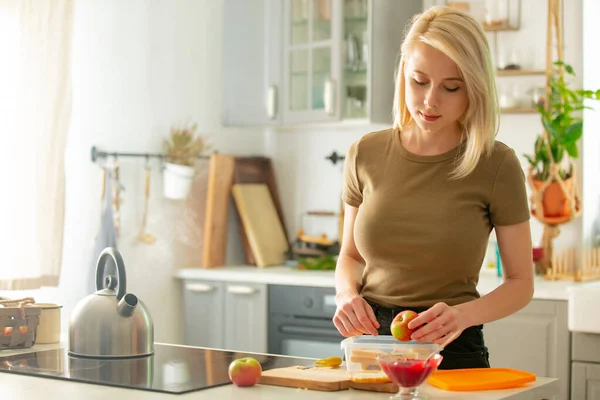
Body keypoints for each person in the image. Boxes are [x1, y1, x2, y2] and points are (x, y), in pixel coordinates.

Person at [333, 5, 534, 370]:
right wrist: (346, 294)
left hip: (452, 349)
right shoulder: (365, 153)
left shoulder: (497, 164)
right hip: (369, 346)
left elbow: (521, 282)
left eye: (451, 87)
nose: (430, 100)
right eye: (419, 81)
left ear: (473, 88)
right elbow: (350, 256)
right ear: (403, 76)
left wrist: (462, 316)